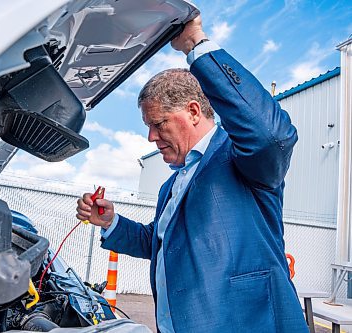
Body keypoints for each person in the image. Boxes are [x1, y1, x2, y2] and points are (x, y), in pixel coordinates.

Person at [76, 16, 308, 333]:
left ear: (193, 112)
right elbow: (158, 242)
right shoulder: (172, 184)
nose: (151, 137)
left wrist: (195, 44)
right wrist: (109, 222)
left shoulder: (241, 158)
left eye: (158, 124)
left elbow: (271, 136)